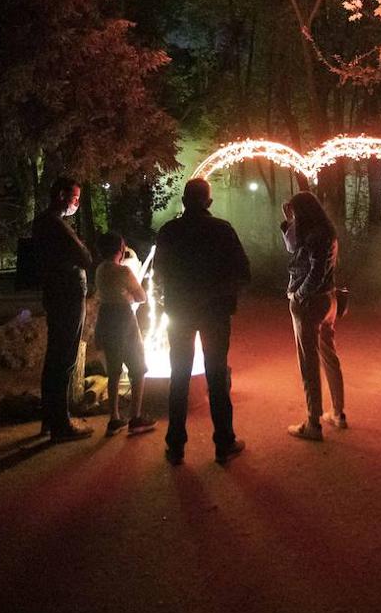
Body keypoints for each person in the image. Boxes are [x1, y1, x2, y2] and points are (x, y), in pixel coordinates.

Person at [154, 178, 250, 465]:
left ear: (184, 202)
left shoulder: (169, 231)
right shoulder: (222, 229)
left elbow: (159, 271)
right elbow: (243, 272)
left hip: (179, 311)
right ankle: (224, 443)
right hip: (214, 312)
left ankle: (175, 446)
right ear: (208, 202)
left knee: (179, 375)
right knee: (217, 375)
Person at [31, 176, 94, 442]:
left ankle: (51, 418)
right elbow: (85, 257)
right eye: (74, 198)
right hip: (66, 296)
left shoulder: (45, 223)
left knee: (56, 356)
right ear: (60, 196)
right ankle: (60, 424)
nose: (76, 203)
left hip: (59, 294)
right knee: (64, 357)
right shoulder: (55, 224)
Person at [281, 190, 346, 441]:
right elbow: (291, 246)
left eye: (295, 212)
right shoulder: (324, 231)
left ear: (303, 212)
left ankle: (312, 423)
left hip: (311, 302)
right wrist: (289, 221)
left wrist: (299, 295)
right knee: (329, 355)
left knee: (308, 361)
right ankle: (338, 413)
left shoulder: (315, 235)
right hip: (329, 299)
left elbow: (315, 271)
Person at [93, 231, 156, 437]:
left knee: (114, 371)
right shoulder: (124, 273)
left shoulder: (100, 269)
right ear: (120, 249)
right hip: (123, 319)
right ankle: (136, 417)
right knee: (138, 368)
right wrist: (130, 294)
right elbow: (142, 297)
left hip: (105, 318)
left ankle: (114, 418)